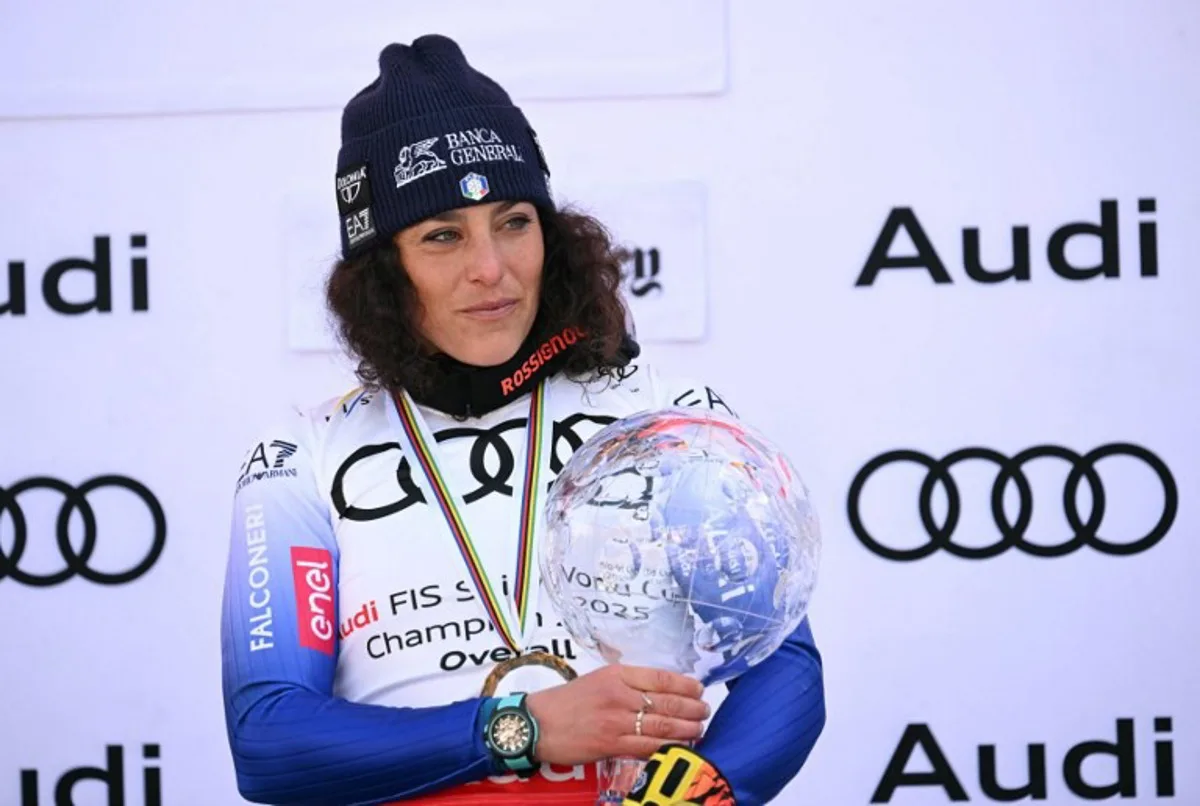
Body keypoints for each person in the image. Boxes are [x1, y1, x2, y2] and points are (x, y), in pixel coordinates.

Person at [219, 34, 825, 806]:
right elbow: (269, 738)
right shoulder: (302, 459)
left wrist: (701, 791)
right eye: (443, 236)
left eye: (513, 222)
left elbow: (784, 667)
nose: (491, 269)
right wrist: (523, 727)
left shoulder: (664, 421)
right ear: (382, 271)